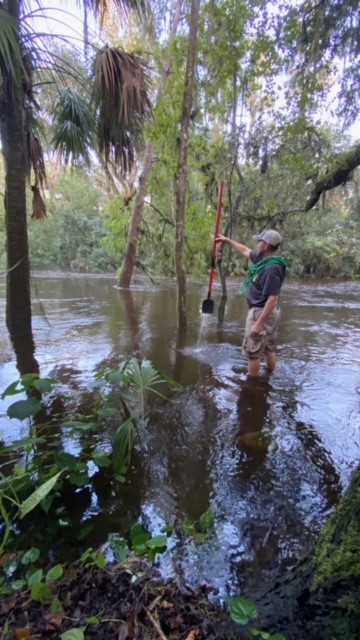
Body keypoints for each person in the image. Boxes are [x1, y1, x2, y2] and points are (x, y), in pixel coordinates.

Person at [215, 229, 288, 377]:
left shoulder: (272, 268)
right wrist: (226, 240)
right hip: (266, 313)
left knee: (253, 353)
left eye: (259, 242)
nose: (257, 245)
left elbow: (272, 299)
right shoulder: (264, 260)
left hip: (261, 312)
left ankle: (251, 387)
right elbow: (244, 250)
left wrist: (259, 324)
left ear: (266, 245)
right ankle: (269, 376)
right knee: (269, 347)